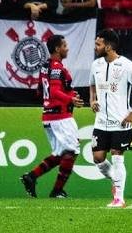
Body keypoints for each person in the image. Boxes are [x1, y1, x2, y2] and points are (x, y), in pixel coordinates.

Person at [89, 29, 132, 208]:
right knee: (98, 158)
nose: (95, 47)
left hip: (121, 121)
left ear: (108, 46)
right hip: (101, 121)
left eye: (98, 44)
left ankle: (119, 198)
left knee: (117, 158)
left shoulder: (127, 65)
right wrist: (92, 100)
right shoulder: (96, 65)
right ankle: (116, 181)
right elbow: (92, 85)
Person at [21, 35, 84, 198]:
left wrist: (69, 93)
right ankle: (56, 191)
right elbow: (55, 92)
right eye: (64, 45)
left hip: (48, 117)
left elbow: (40, 91)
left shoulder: (44, 67)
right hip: (60, 117)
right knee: (71, 151)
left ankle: (31, 176)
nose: (67, 48)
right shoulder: (57, 68)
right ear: (57, 48)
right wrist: (70, 99)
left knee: (61, 154)